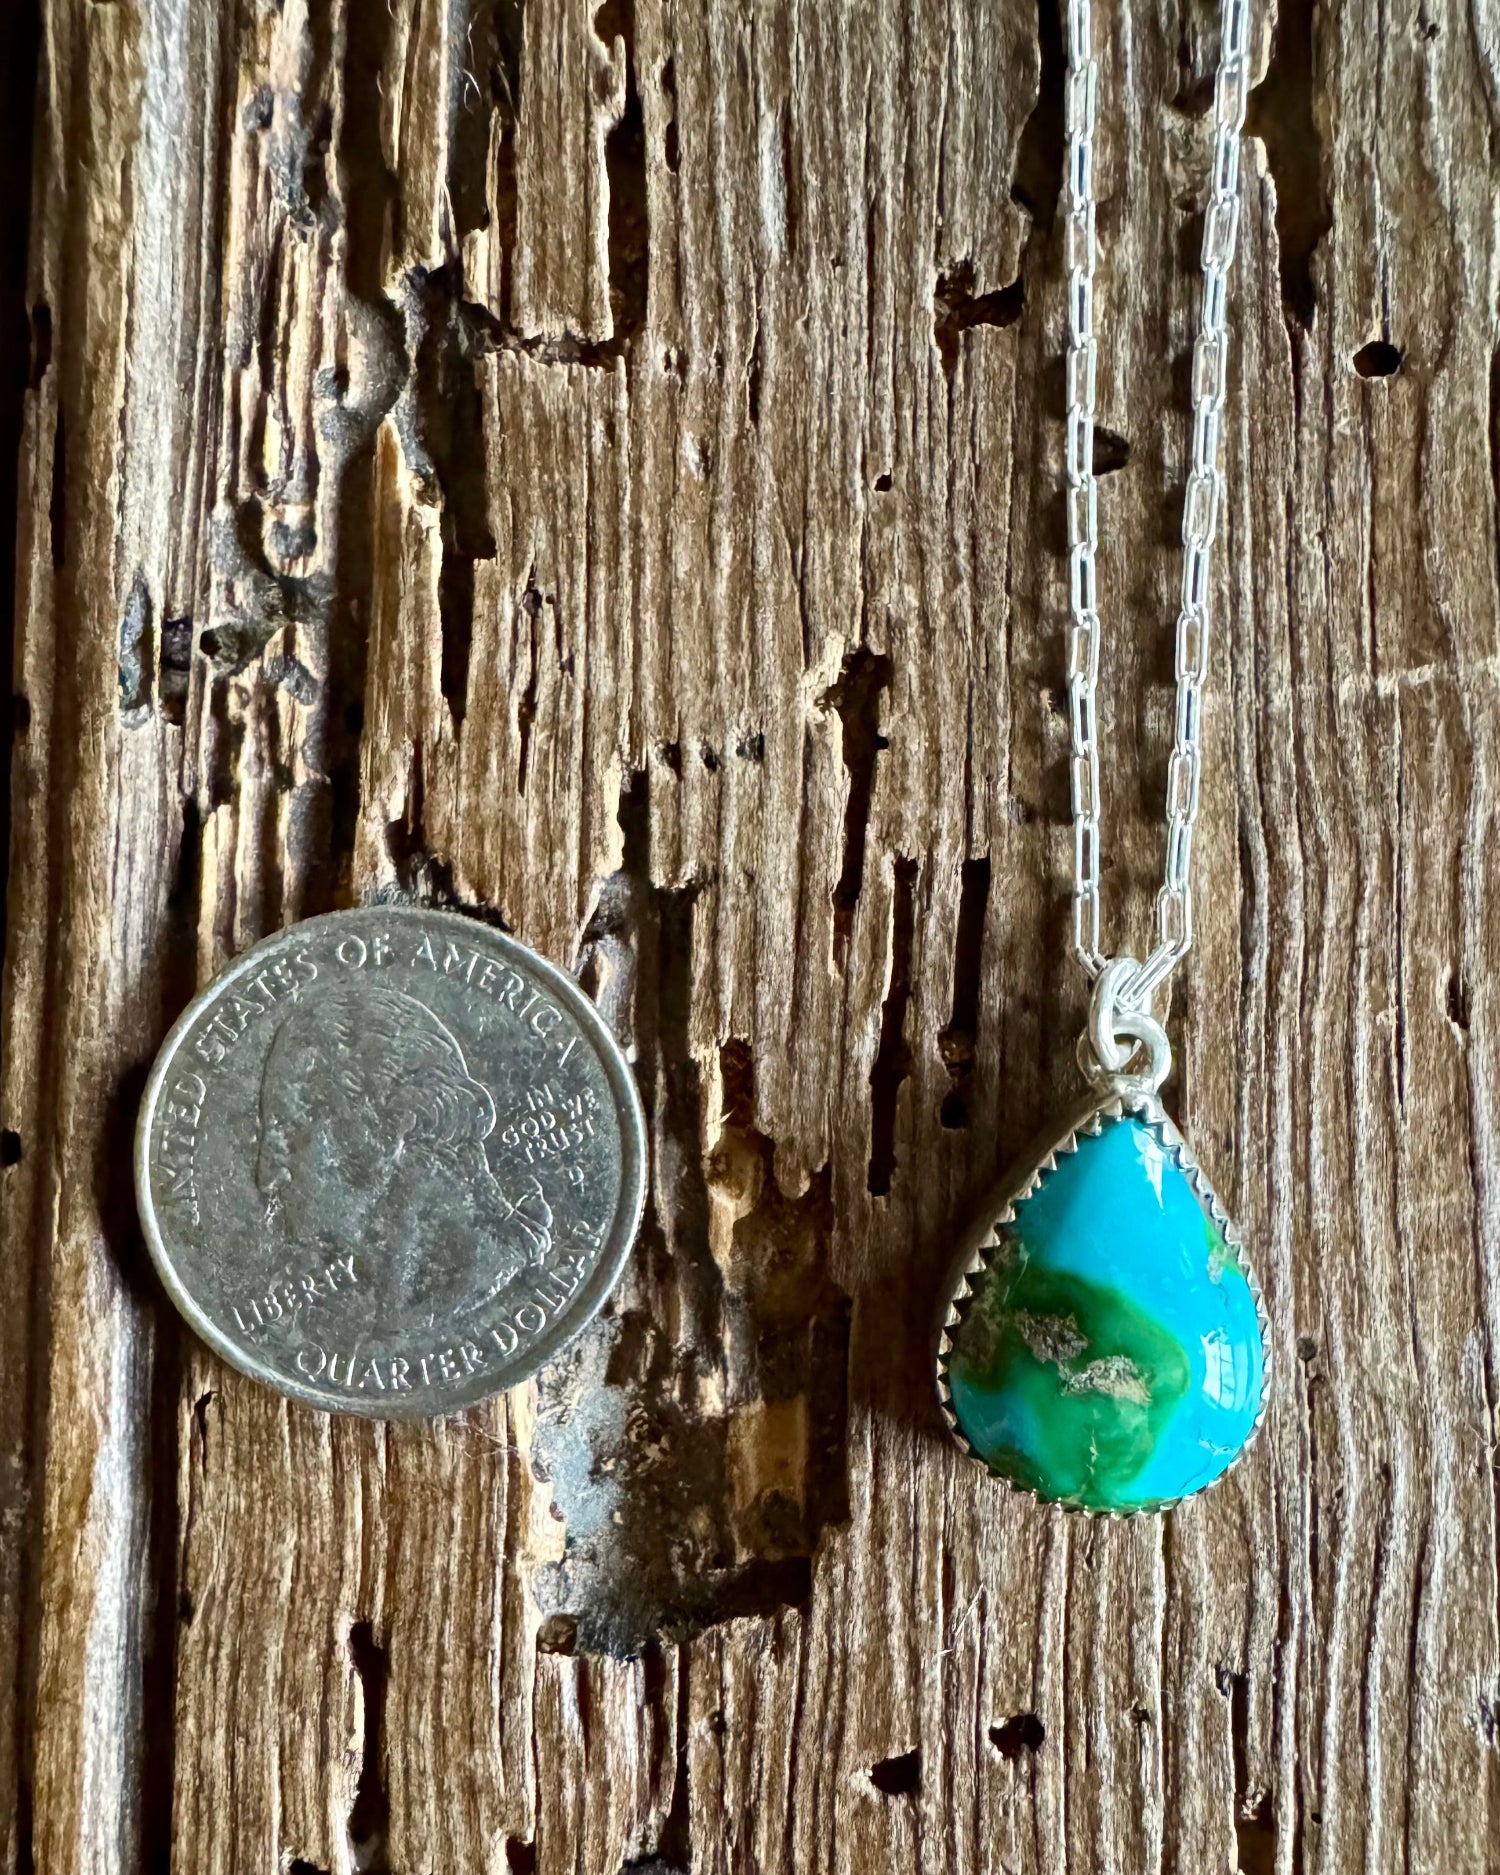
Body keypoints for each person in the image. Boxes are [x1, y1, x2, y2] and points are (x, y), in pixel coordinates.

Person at [253, 982, 552, 1318]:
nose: (266, 1177)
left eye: (290, 1130)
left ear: (388, 1126)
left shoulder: (455, 1292)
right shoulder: (385, 1305)